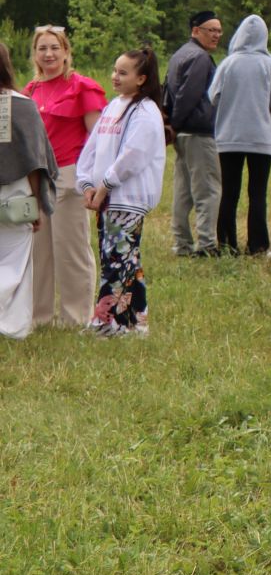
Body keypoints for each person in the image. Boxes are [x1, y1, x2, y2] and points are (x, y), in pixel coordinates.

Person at [76, 47, 167, 336]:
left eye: (123, 72)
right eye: (115, 70)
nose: (115, 76)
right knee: (125, 258)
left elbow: (133, 156)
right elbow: (92, 149)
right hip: (106, 197)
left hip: (127, 199)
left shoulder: (146, 111)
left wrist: (105, 186)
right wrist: (87, 183)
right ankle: (135, 320)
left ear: (141, 79)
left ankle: (106, 323)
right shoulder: (114, 106)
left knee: (117, 259)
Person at [23, 26, 102, 327]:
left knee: (71, 250)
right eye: (42, 48)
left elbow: (98, 139)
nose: (49, 54)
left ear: (66, 51)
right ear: (35, 55)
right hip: (36, 177)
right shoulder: (30, 91)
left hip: (69, 174)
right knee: (38, 251)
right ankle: (39, 316)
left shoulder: (82, 87)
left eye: (54, 47)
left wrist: (92, 179)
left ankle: (75, 317)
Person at [206, 15, 271, 256]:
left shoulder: (228, 63)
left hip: (229, 138)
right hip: (261, 139)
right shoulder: (269, 63)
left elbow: (212, 96)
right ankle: (259, 246)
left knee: (229, 193)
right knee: (257, 193)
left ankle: (227, 246)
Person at [0, 42, 59, 340]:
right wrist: (38, 202)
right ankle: (12, 327)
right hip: (15, 196)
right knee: (17, 262)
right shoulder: (23, 105)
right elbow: (36, 162)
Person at [163, 10, 223, 257]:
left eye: (219, 31)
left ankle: (182, 244)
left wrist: (171, 124)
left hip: (182, 133)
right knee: (207, 190)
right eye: (211, 30)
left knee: (183, 191)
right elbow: (189, 94)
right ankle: (207, 245)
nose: (216, 35)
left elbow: (166, 90)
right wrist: (175, 123)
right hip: (197, 132)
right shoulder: (199, 58)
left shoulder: (179, 55)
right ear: (195, 30)